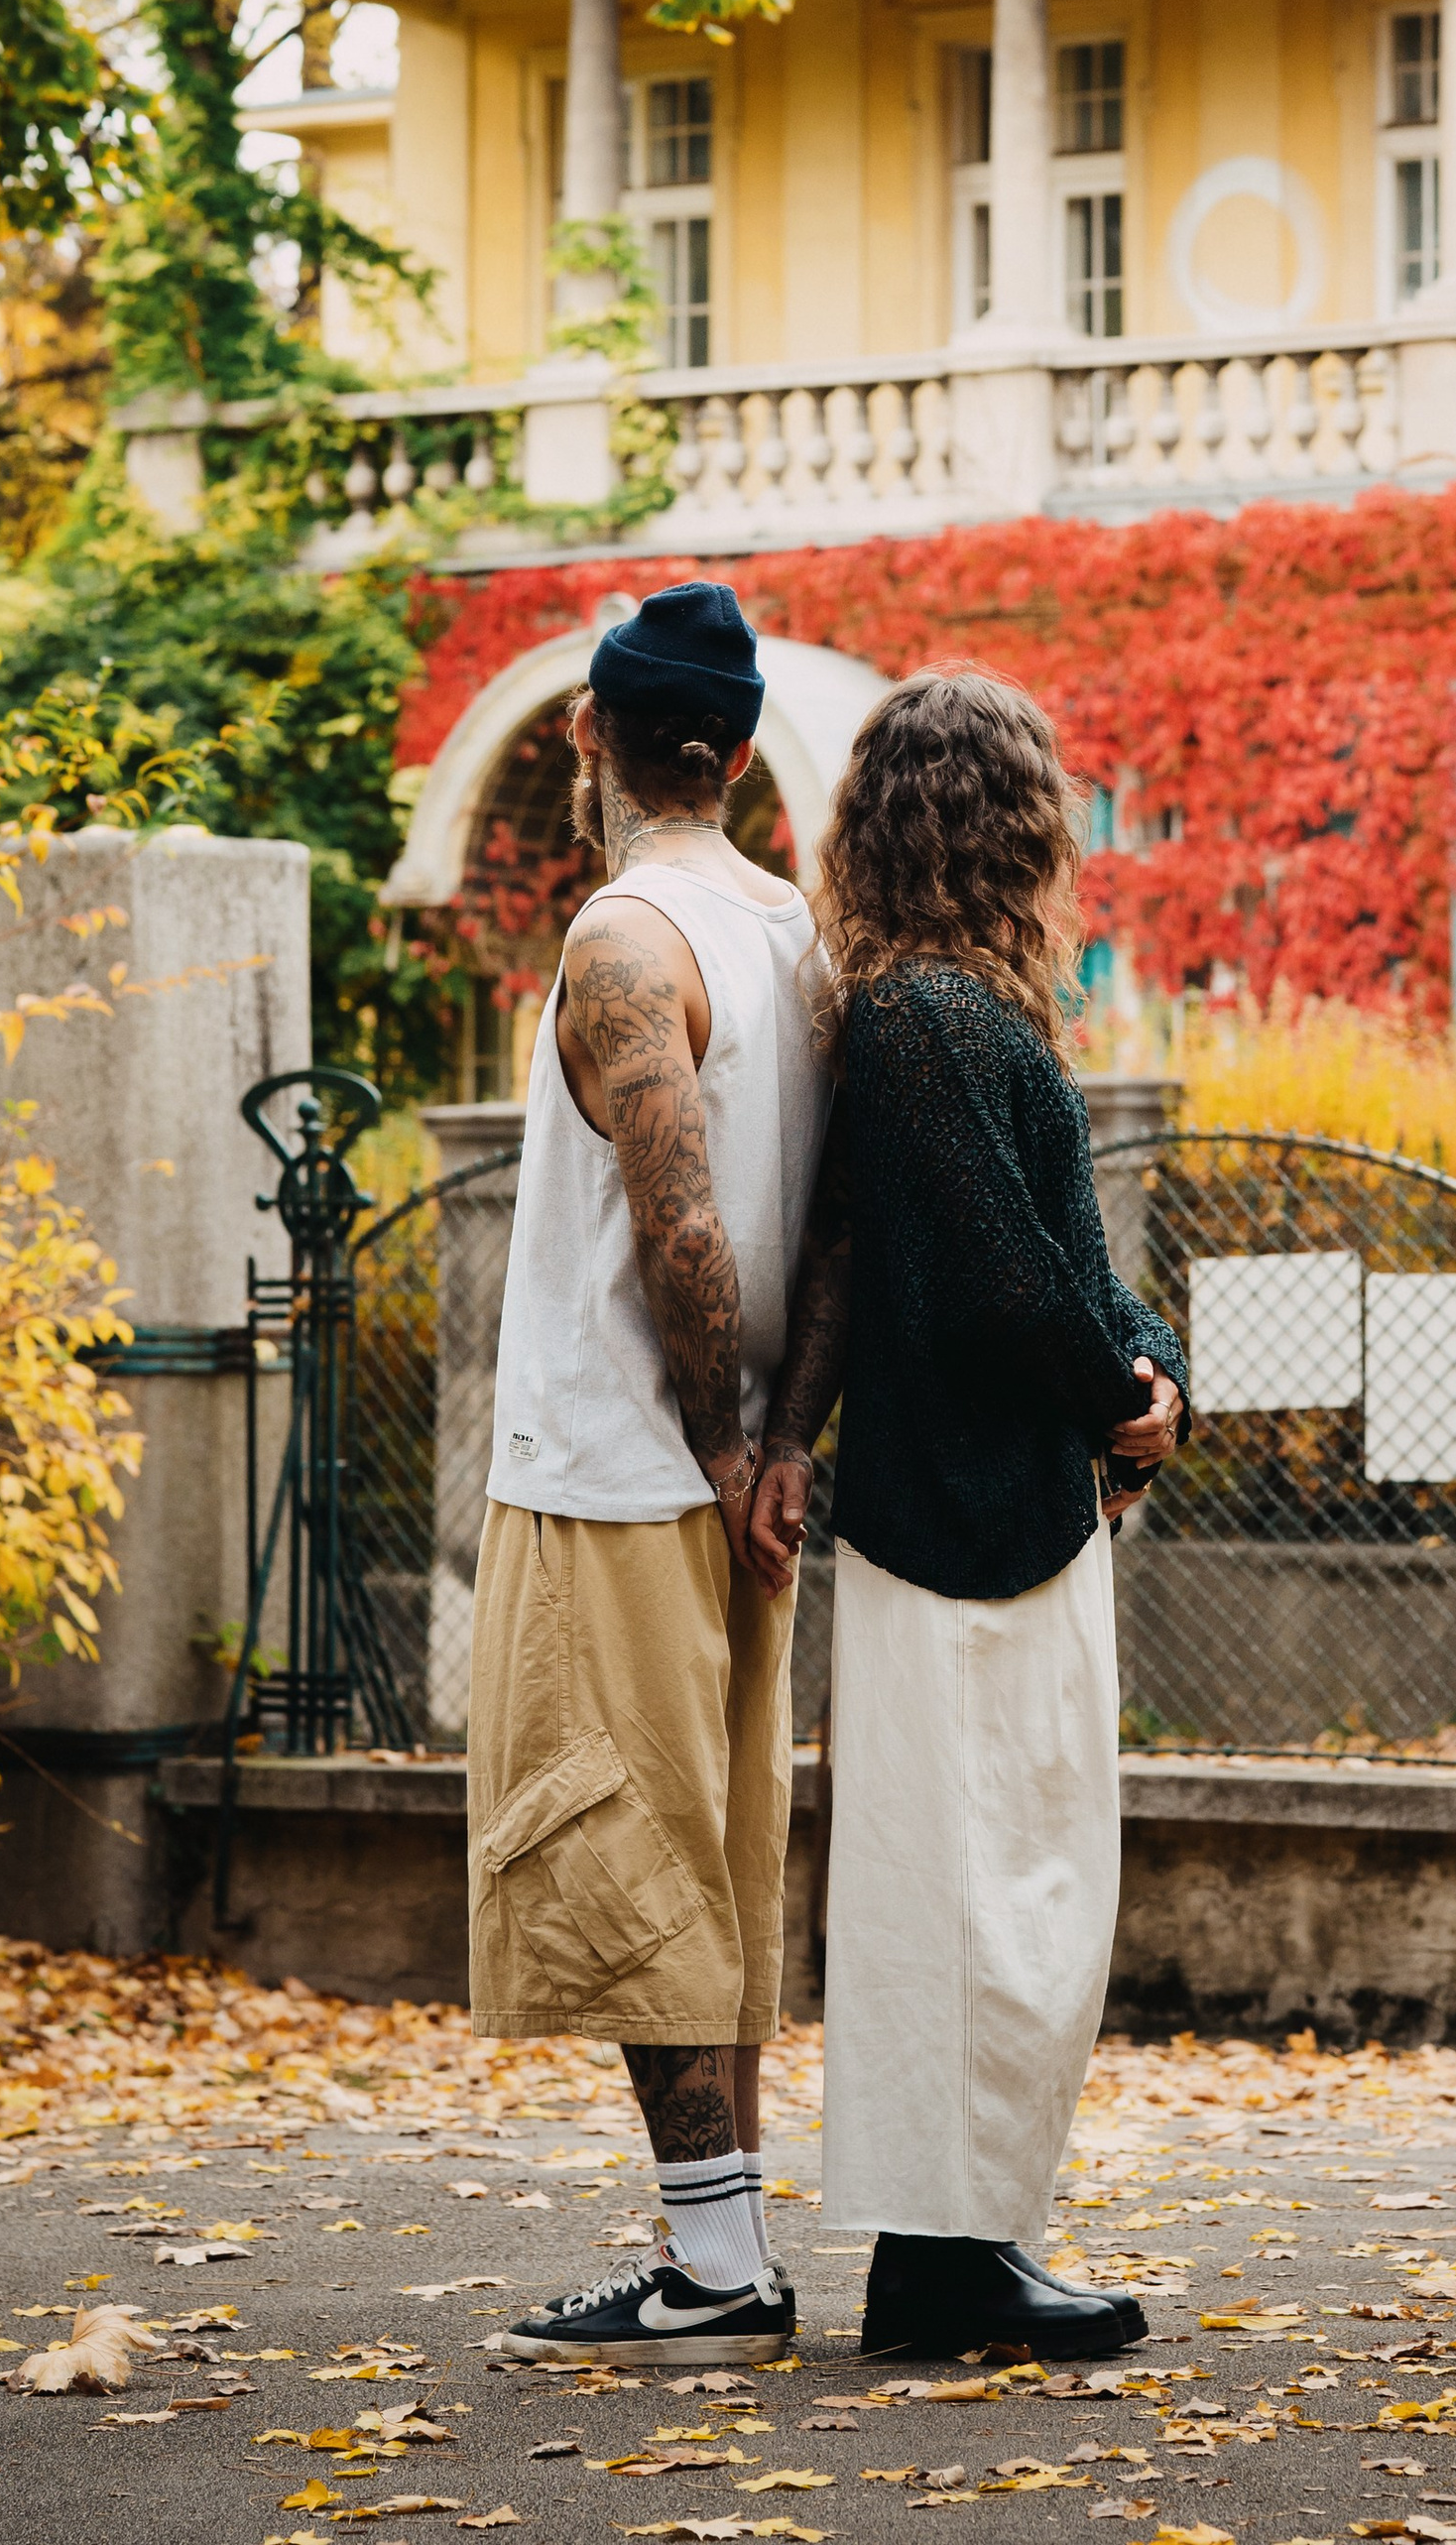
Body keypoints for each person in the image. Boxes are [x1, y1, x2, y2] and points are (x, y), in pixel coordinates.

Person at [746, 667, 1187, 2362]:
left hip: (1007, 1508)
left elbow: (1062, 1264)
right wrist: (1111, 1385)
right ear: (1005, 817)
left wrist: (1148, 1362)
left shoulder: (953, 1013)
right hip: (963, 1522)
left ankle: (971, 2240)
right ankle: (940, 2259)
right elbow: (1010, 1285)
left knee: (1026, 1880)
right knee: (968, 1887)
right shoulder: (927, 1016)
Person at [470, 580, 832, 2371]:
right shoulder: (791, 928)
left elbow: (677, 1208)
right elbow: (822, 1223)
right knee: (716, 1852)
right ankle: (728, 2256)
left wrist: (712, 1430)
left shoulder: (627, 932)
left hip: (628, 1467)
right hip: (746, 1481)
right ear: (744, 753)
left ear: (587, 736)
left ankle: (708, 2272)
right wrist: (787, 1436)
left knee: (633, 1856)